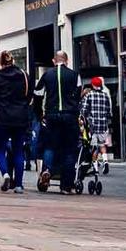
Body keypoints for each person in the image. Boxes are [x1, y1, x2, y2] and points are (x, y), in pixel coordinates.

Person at [35, 50, 82, 194]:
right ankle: (66, 185)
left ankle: (47, 169)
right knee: (69, 149)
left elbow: (38, 94)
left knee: (50, 146)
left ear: (54, 61)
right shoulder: (75, 75)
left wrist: (40, 114)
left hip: (52, 115)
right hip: (69, 116)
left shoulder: (47, 75)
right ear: (67, 61)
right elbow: (78, 95)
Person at [0, 50, 32, 193]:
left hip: (1, 118)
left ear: (0, 62)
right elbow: (30, 95)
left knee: (0, 149)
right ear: (13, 61)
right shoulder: (24, 76)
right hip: (20, 118)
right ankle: (18, 185)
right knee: (18, 151)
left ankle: (5, 173)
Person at [82, 76, 113, 174]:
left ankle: (95, 167)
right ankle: (105, 161)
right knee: (102, 144)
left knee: (94, 147)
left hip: (93, 125)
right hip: (103, 125)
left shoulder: (89, 95)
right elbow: (108, 111)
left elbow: (84, 110)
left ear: (93, 85)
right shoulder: (105, 96)